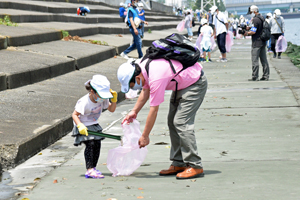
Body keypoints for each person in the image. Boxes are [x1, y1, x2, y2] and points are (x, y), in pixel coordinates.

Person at [117, 56, 207, 180]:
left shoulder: (156, 76)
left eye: (132, 86)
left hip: (195, 83)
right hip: (181, 84)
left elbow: (153, 110)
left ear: (137, 78)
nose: (134, 89)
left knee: (181, 122)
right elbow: (145, 90)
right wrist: (134, 111)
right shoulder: (142, 67)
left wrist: (145, 136)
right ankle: (178, 163)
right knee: (172, 122)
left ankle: (195, 164)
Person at [71, 75, 118, 179]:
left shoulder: (102, 99)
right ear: (92, 91)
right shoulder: (84, 102)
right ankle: (89, 169)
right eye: (100, 94)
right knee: (91, 144)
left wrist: (113, 100)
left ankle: (93, 167)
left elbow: (112, 109)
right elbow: (74, 114)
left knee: (97, 144)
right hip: (83, 126)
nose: (102, 98)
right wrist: (80, 125)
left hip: (94, 125)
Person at [244, 5, 270, 81]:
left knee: (255, 60)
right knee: (264, 60)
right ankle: (266, 76)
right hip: (263, 42)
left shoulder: (255, 19)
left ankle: (255, 76)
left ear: (254, 11)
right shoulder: (262, 18)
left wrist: (247, 33)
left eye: (251, 12)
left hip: (256, 43)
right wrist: (249, 28)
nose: (250, 13)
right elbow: (259, 28)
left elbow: (253, 31)